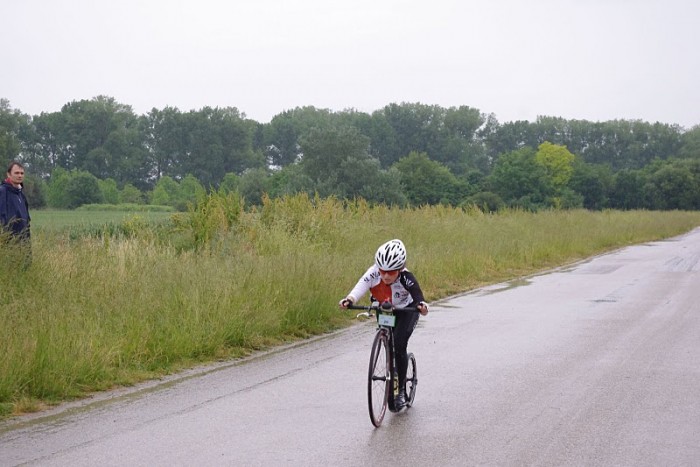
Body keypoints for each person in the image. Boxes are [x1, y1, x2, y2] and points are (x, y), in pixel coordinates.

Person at [339, 238, 429, 410]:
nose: (386, 275)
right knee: (388, 340)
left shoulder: (406, 277)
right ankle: (389, 358)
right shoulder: (373, 273)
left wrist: (421, 306)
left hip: (406, 310)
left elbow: (417, 295)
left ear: (400, 269)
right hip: (386, 308)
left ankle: (401, 389)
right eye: (383, 271)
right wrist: (349, 299)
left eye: (391, 272)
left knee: (400, 344)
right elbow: (360, 287)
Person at [0, 161, 32, 266]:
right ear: (8, 174)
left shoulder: (20, 194)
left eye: (22, 173)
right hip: (9, 242)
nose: (20, 175)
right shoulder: (3, 191)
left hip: (24, 242)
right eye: (16, 173)